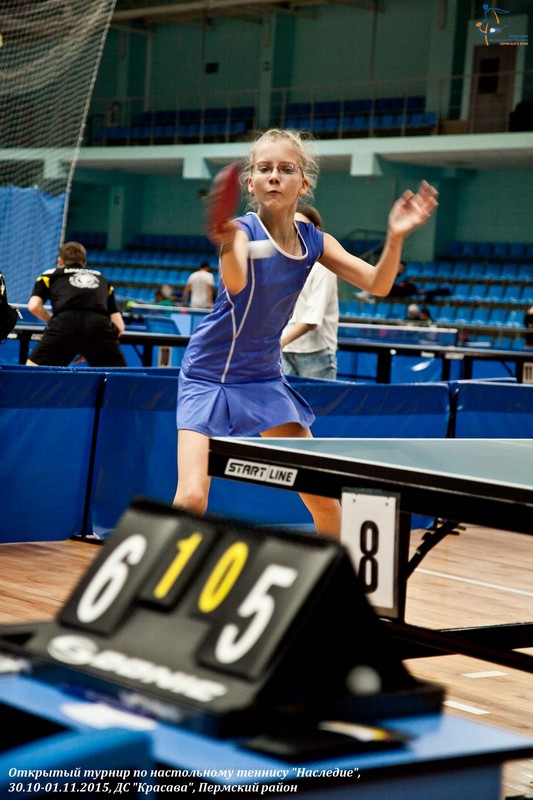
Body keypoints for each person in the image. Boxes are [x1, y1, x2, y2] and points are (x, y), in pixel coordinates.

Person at [173, 128, 438, 539]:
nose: (274, 176)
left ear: (304, 183)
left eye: (286, 168)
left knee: (322, 495)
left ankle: (341, 573)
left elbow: (378, 283)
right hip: (209, 375)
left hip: (262, 377)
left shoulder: (316, 242)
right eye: (264, 168)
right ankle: (164, 572)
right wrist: (227, 247)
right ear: (251, 183)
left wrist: (395, 237)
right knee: (192, 498)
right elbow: (237, 282)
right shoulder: (241, 232)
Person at [26, 241, 127, 367]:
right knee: (118, 376)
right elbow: (120, 327)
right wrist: (92, 347)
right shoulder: (101, 279)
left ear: (59, 261)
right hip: (99, 328)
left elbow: (34, 306)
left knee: (33, 371)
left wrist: (53, 321)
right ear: (84, 263)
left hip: (64, 324)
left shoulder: (49, 275)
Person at [281, 205, 339, 380]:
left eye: (301, 226)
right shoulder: (285, 264)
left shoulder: (324, 267)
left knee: (320, 401)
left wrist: (277, 343)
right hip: (285, 351)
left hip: (315, 354)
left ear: (317, 231)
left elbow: (312, 320)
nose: (295, 231)